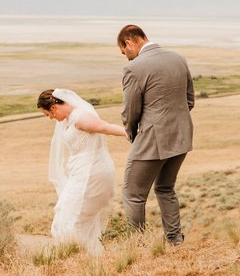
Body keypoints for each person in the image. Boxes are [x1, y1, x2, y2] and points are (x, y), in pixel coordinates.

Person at [116, 24, 194, 245]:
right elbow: (190, 100)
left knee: (133, 194)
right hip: (181, 137)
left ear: (129, 42)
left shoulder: (134, 69)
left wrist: (132, 134)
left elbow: (130, 111)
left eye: (125, 52)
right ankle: (175, 239)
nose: (127, 58)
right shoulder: (178, 58)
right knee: (165, 188)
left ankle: (136, 246)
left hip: (151, 139)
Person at [38, 88, 126, 255]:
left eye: (48, 114)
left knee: (72, 217)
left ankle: (78, 255)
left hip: (90, 173)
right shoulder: (70, 119)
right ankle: (88, 256)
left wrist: (133, 134)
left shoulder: (80, 118)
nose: (50, 118)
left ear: (54, 107)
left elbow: (104, 127)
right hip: (82, 172)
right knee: (72, 217)